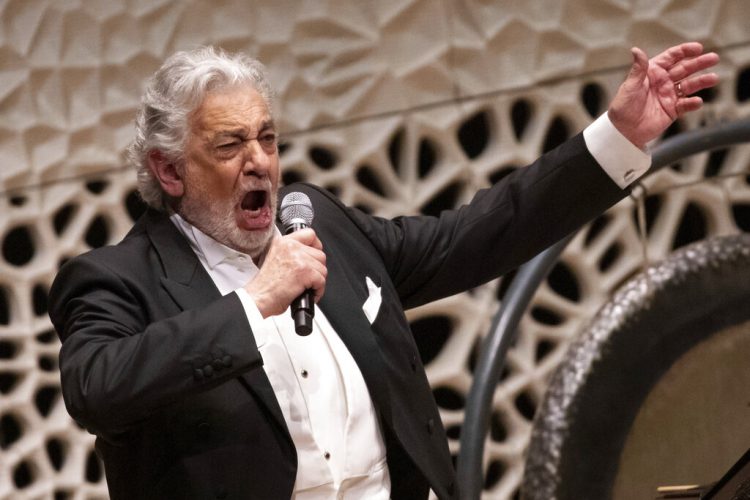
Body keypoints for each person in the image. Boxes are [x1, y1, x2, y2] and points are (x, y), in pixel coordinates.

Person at [48, 42, 718, 499]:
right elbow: (95, 387)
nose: (260, 162)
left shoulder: (321, 225)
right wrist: (253, 304)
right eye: (229, 144)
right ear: (169, 171)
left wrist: (618, 137)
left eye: (268, 138)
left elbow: (474, 235)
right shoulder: (115, 279)